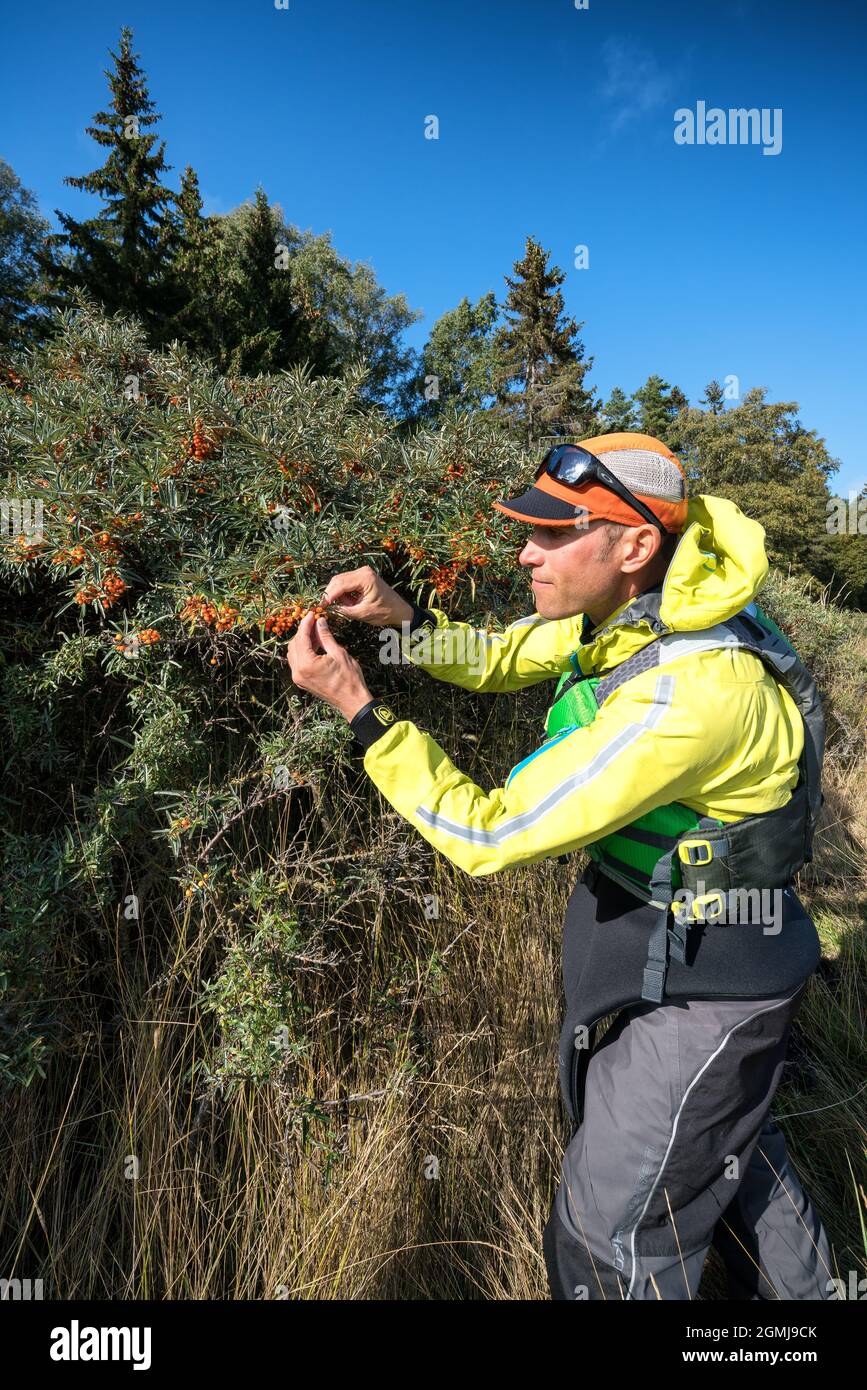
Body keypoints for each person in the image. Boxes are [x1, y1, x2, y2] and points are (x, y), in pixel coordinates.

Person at [285, 431, 834, 1301]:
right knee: (731, 1161)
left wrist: (358, 709)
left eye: (550, 534)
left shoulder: (690, 695)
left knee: (609, 1230)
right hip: (681, 961)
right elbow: (505, 660)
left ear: (633, 546)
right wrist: (402, 618)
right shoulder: (638, 615)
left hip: (703, 988)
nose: (523, 552)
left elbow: (488, 832)